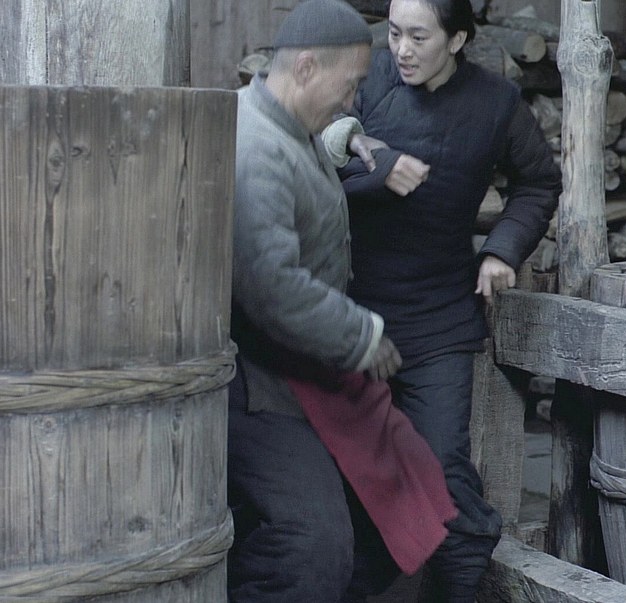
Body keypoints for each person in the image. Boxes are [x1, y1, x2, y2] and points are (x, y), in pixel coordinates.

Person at [323, 0, 561, 599]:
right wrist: (378, 171)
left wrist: (502, 250)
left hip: (438, 320)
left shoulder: (495, 103)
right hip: (350, 314)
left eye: (419, 37)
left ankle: (461, 587)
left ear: (456, 41)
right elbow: (308, 155)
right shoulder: (363, 77)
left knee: (443, 467)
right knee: (351, 470)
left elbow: (538, 183)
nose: (402, 50)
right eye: (394, 34)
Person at [226, 1, 457, 600]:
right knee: (311, 546)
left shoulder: (288, 124)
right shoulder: (255, 150)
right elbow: (270, 285)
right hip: (263, 389)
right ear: (306, 67)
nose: (354, 99)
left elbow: (314, 143)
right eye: (350, 85)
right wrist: (362, 336)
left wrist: (346, 135)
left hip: (307, 373)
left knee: (404, 503)